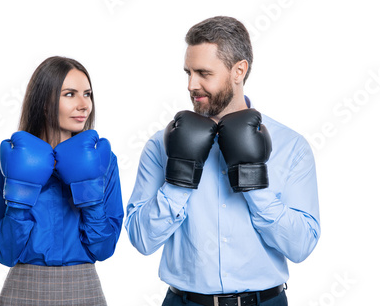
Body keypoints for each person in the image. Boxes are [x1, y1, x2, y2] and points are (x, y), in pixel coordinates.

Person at [125, 16, 320, 306]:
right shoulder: (161, 144)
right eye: (188, 73)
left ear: (239, 70)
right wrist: (181, 175)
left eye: (204, 73)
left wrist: (253, 180)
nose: (192, 84)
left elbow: (301, 247)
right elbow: (142, 239)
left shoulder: (290, 146)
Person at [0, 56, 123, 306]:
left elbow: (103, 250)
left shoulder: (104, 162)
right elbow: (5, 253)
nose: (84, 105)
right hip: (23, 287)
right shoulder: (7, 163)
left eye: (87, 94)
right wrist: (20, 198)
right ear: (45, 102)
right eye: (70, 94)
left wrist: (89, 197)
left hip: (83, 287)